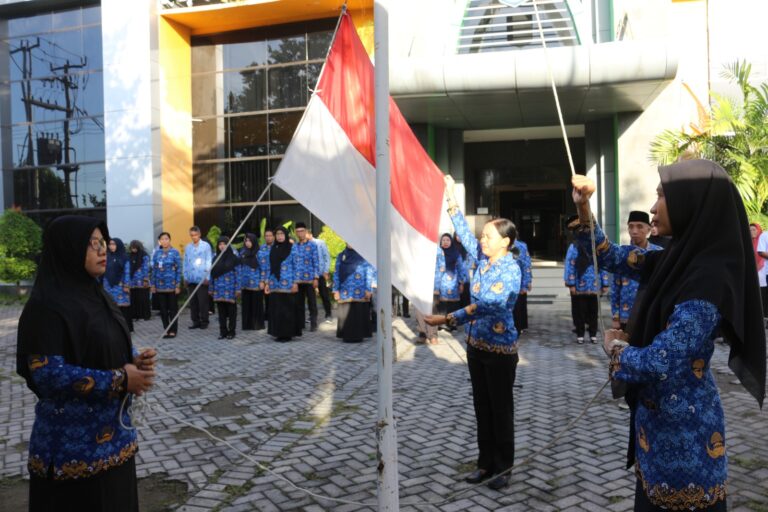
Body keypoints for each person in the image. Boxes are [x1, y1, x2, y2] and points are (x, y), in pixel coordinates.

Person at [571, 160, 765, 511]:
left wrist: (616, 348)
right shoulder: (673, 259)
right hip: (655, 431)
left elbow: (660, 360)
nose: (652, 206)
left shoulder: (709, 279)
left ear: (691, 202)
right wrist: (584, 207)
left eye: (662, 195)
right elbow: (609, 255)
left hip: (687, 442)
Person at [16, 216, 156, 512]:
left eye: (102, 243)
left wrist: (132, 359)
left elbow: (107, 340)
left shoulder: (98, 295)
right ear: (68, 249)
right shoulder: (46, 307)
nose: (102, 250)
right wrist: (120, 380)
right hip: (72, 456)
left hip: (117, 445)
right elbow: (47, 374)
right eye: (92, 244)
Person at [425, 175, 522, 491]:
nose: (482, 240)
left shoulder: (510, 269)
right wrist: (450, 197)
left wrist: (446, 318)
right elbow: (464, 233)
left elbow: (490, 306)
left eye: (489, 236)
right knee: (482, 408)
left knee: (500, 410)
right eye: (483, 236)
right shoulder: (482, 259)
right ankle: (484, 464)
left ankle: (503, 467)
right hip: (476, 348)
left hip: (499, 352)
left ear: (505, 241)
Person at [611, 212, 663, 331]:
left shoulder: (659, 253)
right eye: (631, 226)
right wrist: (615, 317)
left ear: (649, 229)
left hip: (650, 315)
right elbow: (615, 288)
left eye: (640, 226)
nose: (634, 231)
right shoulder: (621, 254)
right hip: (626, 316)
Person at [564, 232, 610, 344]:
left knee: (594, 312)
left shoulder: (598, 246)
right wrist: (571, 284)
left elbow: (603, 265)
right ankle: (580, 334)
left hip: (595, 286)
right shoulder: (574, 246)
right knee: (580, 312)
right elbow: (570, 265)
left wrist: (605, 283)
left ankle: (593, 334)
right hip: (580, 285)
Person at [332, 246, 376, 342]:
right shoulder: (341, 255)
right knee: (346, 313)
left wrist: (368, 289)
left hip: (360, 290)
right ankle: (346, 335)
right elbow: (336, 273)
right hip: (345, 290)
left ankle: (358, 335)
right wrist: (336, 289)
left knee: (358, 312)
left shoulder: (364, 255)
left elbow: (369, 272)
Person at [264, 226, 301, 341]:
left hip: (288, 284)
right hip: (275, 284)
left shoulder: (292, 247)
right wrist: (267, 283)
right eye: (278, 234)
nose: (280, 236)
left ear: (285, 235)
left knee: (287, 310)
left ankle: (287, 334)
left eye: (282, 234)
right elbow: (269, 267)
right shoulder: (273, 248)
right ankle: (278, 333)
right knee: (277, 310)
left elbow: (297, 266)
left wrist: (295, 282)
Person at [150, 232, 182, 339]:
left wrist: (177, 285)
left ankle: (173, 330)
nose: (164, 241)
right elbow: (154, 270)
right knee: (163, 310)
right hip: (160, 287)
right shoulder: (157, 253)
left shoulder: (175, 252)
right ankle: (167, 329)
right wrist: (153, 285)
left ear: (170, 240)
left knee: (173, 309)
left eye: (166, 239)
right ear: (159, 241)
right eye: (162, 239)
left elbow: (178, 270)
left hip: (172, 286)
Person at [210, 236, 241, 340]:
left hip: (230, 289)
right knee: (221, 312)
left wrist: (238, 288)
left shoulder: (234, 258)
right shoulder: (215, 258)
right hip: (218, 289)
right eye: (220, 244)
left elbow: (238, 274)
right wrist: (211, 288)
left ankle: (231, 331)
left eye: (224, 244)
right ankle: (223, 332)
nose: (222, 246)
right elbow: (212, 275)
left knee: (232, 312)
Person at [183, 226, 212, 330]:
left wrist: (207, 277)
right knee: (193, 302)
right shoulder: (188, 247)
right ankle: (195, 321)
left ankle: (204, 321)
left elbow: (209, 261)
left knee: (202, 301)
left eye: (195, 235)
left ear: (199, 234)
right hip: (191, 279)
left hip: (202, 279)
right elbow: (185, 263)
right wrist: (185, 277)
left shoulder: (206, 246)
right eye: (191, 235)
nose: (193, 237)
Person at [293, 222, 320, 331]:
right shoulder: (294, 246)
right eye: (298, 231)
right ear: (296, 233)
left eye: (302, 231)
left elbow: (316, 261)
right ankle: (300, 324)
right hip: (298, 280)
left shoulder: (312, 245)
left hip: (310, 279)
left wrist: (316, 278)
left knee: (312, 302)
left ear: (306, 231)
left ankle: (313, 323)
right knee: (299, 304)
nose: (300, 233)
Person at [103, 237, 133, 333]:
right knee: (110, 308)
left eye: (114, 244)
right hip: (107, 286)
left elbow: (127, 272)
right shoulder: (106, 256)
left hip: (120, 287)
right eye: (110, 244)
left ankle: (126, 329)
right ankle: (114, 329)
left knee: (122, 309)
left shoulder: (124, 257)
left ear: (118, 245)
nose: (111, 246)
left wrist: (126, 285)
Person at [240, 233, 265, 331]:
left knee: (256, 304)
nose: (247, 243)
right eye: (246, 241)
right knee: (246, 304)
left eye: (249, 241)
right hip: (245, 283)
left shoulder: (259, 253)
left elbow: (263, 268)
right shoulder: (242, 252)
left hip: (256, 282)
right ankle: (247, 325)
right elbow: (239, 267)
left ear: (254, 241)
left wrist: (262, 281)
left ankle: (257, 325)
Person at [308, 230, 333, 323]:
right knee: (311, 297)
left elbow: (327, 257)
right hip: (310, 275)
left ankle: (328, 314)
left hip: (320, 273)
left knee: (324, 295)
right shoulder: (305, 245)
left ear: (310, 234)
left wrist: (326, 271)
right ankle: (312, 316)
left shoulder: (320, 243)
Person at [127, 240, 151, 321]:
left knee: (143, 298)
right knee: (134, 298)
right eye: (132, 248)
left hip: (142, 280)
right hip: (133, 281)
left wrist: (145, 279)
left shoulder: (144, 256)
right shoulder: (130, 256)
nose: (133, 249)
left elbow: (146, 268)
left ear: (138, 247)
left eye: (134, 248)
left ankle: (145, 315)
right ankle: (136, 315)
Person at [512, 238, 532, 333]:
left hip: (518, 281)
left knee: (519, 305)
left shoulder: (521, 246)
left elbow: (526, 264)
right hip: (506, 281)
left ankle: (519, 326)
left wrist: (526, 282)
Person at [258, 229, 275, 320]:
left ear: (273, 236)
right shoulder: (262, 247)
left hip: (273, 276)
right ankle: (267, 314)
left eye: (270, 235)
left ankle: (273, 314)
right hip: (263, 276)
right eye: (266, 236)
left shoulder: (276, 247)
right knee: (266, 297)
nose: (268, 237)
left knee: (273, 297)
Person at [753, 223, 768, 326]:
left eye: (754, 230)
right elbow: (761, 252)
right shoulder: (765, 235)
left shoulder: (762, 236)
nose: (752, 232)